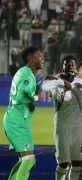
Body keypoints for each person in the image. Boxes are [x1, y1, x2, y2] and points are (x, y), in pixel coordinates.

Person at [40, 56, 82, 180]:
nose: (70, 66)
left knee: (77, 162)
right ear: (63, 66)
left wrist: (62, 81)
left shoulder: (80, 81)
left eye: (72, 64)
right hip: (62, 124)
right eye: (67, 64)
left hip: (78, 126)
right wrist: (58, 79)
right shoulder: (56, 82)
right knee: (63, 163)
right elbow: (42, 86)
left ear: (75, 66)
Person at [3, 46, 44, 180]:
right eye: (39, 55)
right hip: (17, 122)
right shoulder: (26, 74)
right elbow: (21, 97)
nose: (42, 57)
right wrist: (37, 98)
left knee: (24, 160)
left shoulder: (26, 73)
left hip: (17, 121)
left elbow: (29, 90)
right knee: (29, 159)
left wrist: (43, 83)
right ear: (31, 60)